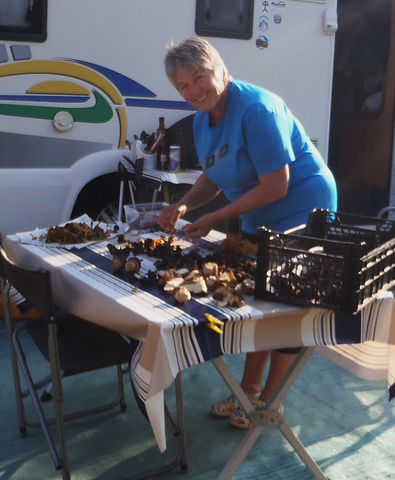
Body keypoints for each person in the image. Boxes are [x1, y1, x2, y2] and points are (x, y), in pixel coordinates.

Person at [158, 37, 337, 429]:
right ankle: (248, 390)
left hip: (303, 208)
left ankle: (270, 402)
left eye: (199, 78)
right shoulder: (203, 118)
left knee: (287, 305)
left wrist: (217, 216)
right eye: (183, 86)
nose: (193, 91)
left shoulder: (256, 109)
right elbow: (216, 173)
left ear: (220, 69)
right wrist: (185, 205)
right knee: (261, 299)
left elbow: (276, 185)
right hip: (259, 211)